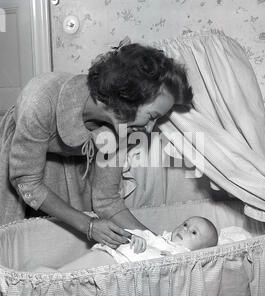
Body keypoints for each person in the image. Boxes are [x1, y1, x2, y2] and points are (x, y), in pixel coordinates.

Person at [0, 40, 193, 248]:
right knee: (15, 245)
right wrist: (88, 225)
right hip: (18, 161)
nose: (149, 129)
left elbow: (106, 200)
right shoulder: (40, 99)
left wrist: (160, 243)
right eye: (152, 116)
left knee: (64, 249)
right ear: (127, 98)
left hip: (68, 166)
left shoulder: (123, 125)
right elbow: (27, 182)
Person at [33, 216, 218, 272]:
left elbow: (177, 271)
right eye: (185, 224)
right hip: (112, 253)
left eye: (193, 232)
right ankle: (44, 275)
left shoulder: (184, 257)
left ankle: (44, 275)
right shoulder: (159, 239)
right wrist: (134, 237)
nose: (185, 229)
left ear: (201, 250)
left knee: (72, 276)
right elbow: (138, 235)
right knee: (70, 272)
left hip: (117, 264)